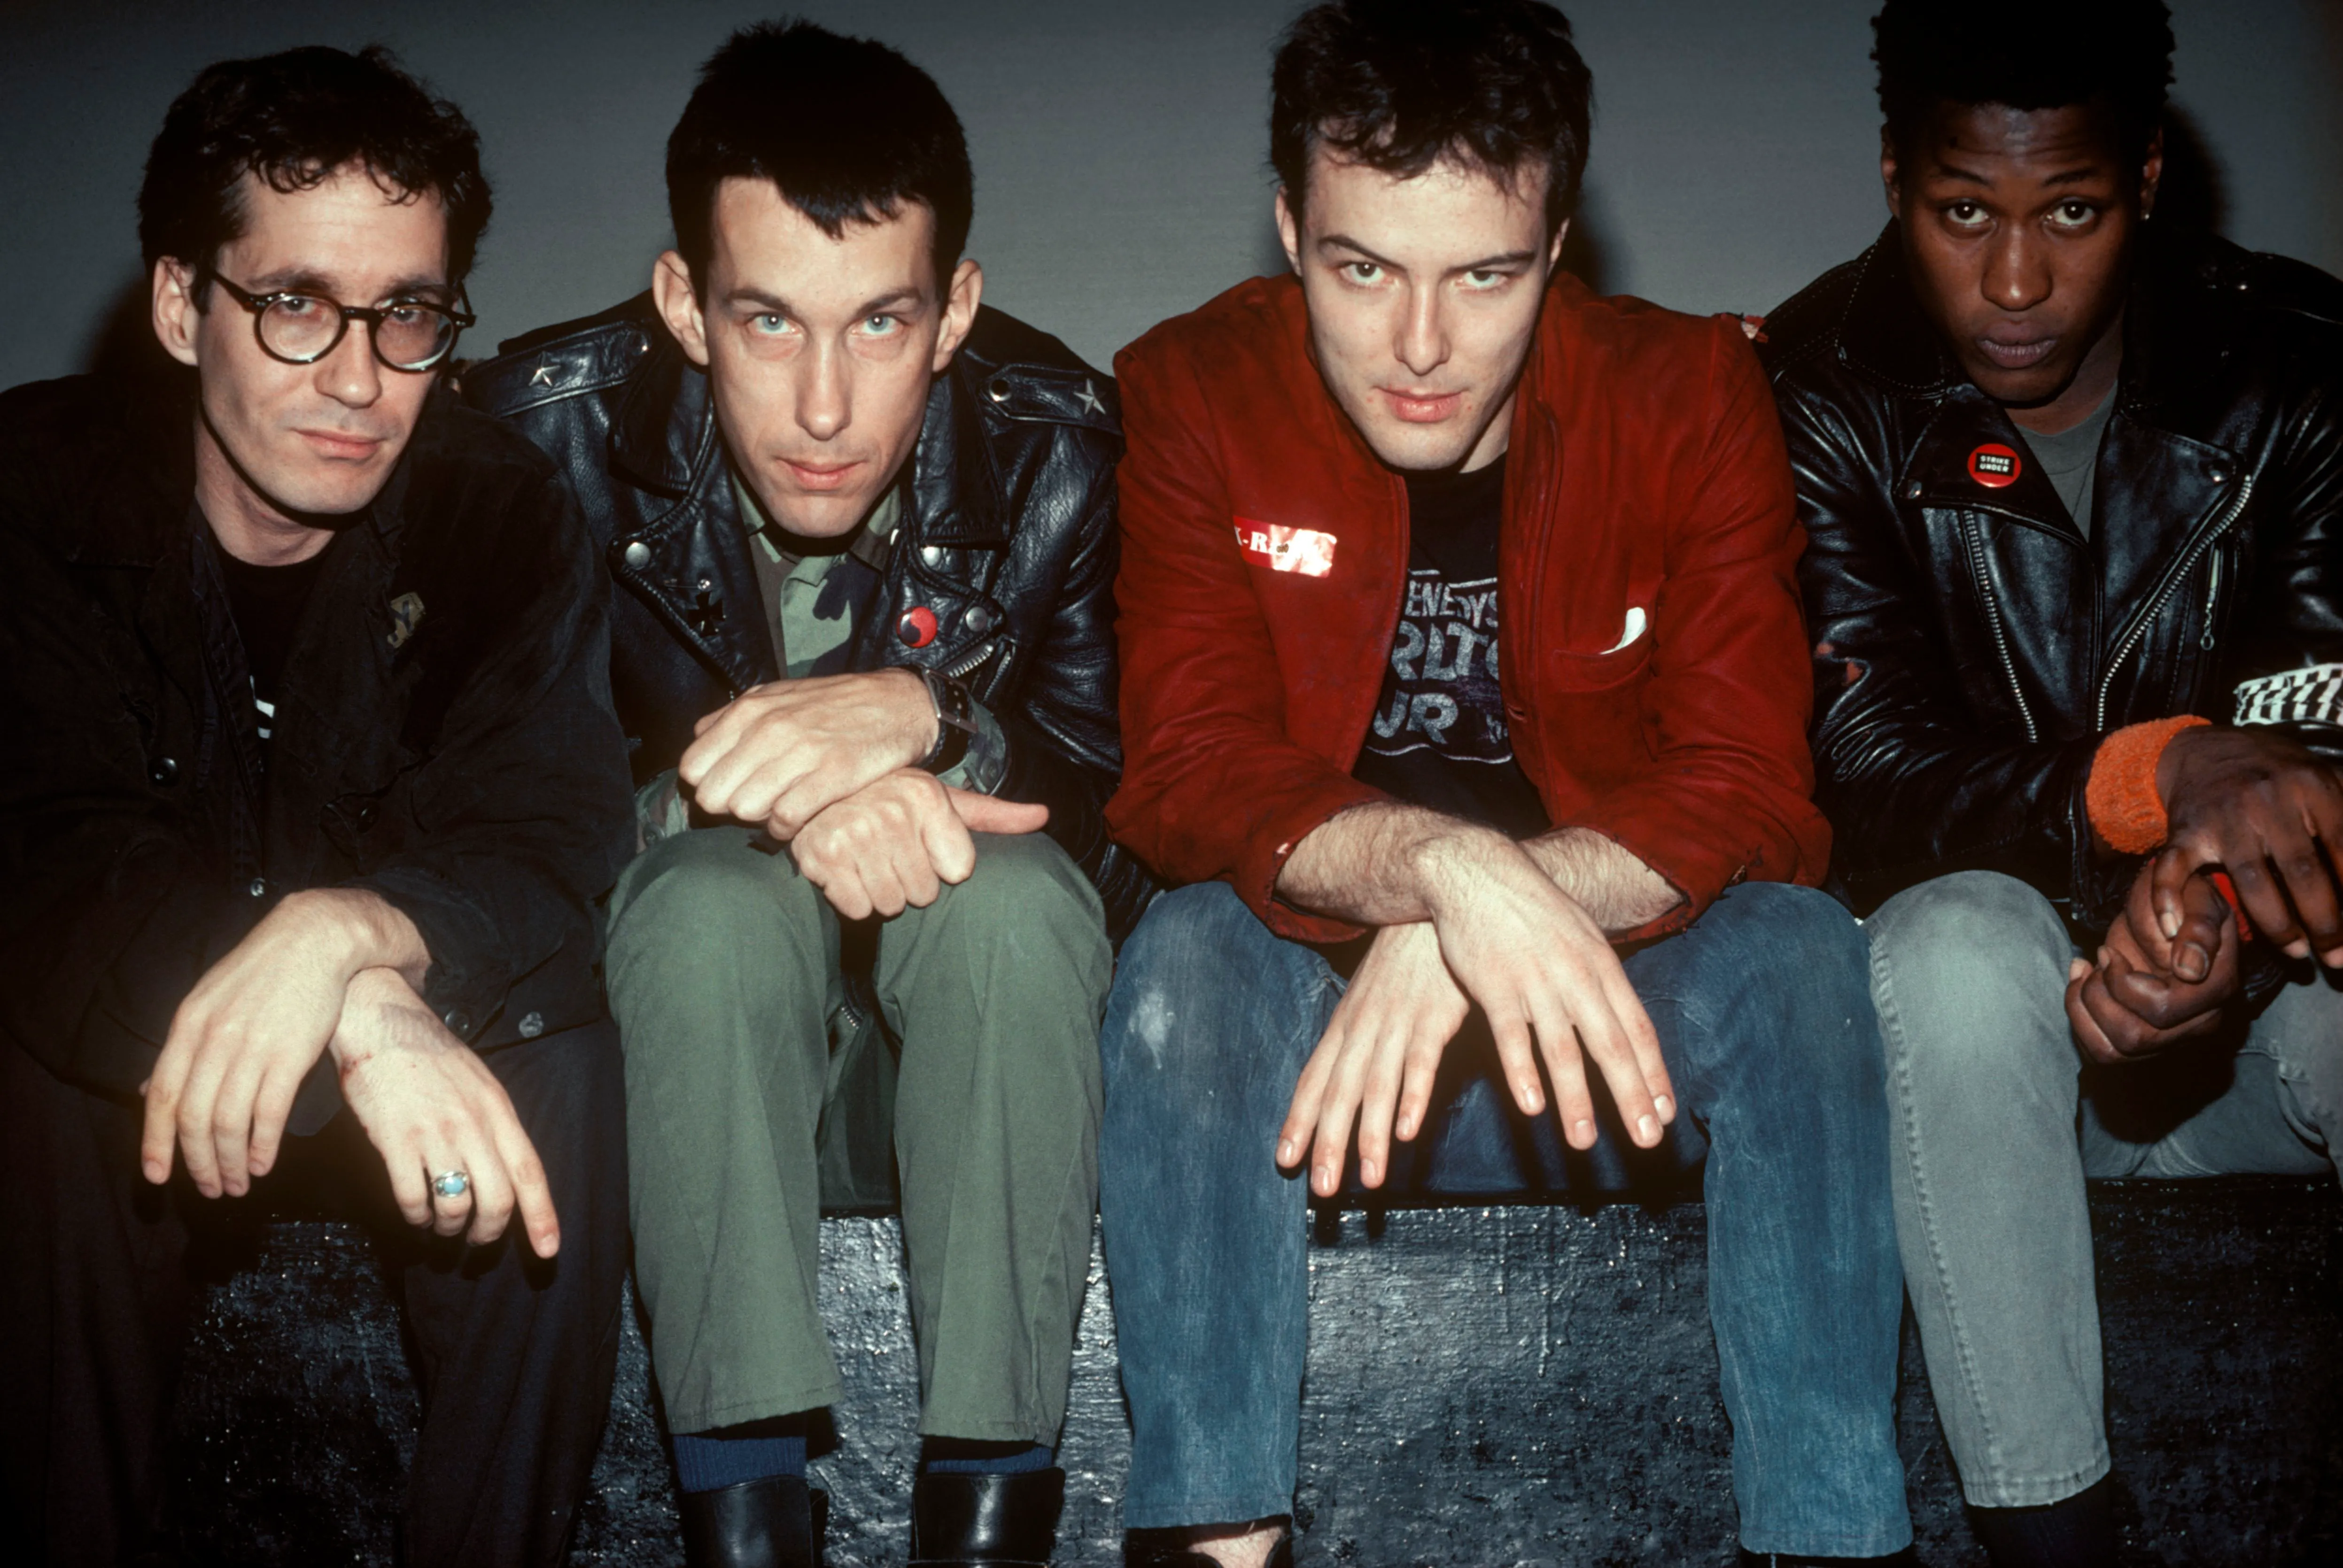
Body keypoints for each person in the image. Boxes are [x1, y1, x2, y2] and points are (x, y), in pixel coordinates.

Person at [1096, 4, 1915, 1565]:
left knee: (1806, 957)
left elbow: (1753, 783)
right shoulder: (1191, 388)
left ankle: (1829, 1541)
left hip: (1614, 1040)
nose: (1419, 345)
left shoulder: (1686, 392)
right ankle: (1212, 1545)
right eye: (1360, 269)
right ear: (1287, 228)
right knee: (1186, 954)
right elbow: (1187, 766)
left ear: (1558, 245)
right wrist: (1455, 875)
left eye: (1484, 274)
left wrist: (1471, 913)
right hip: (1310, 1059)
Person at [467, 22, 1146, 1568]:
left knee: (1018, 902)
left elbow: (1121, 814)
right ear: (680, 304)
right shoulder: (535, 443)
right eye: (767, 320)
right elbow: (492, 816)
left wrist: (929, 723)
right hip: (686, 1072)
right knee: (710, 909)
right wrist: (775, 795)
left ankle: (988, 1523)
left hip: (978, 1092)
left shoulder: (1062, 448)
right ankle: (744, 1523)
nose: (826, 406)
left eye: (882, 323)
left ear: (956, 308)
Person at [0, 46, 635, 1568]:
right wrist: (350, 993)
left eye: (406, 313)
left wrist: (361, 937)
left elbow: (547, 834)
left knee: (570, 1074)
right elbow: (47, 855)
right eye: (295, 305)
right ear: (179, 304)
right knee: (35, 1068)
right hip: (139, 1043)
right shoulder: (31, 491)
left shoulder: (503, 511)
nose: (358, 379)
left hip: (399, 1067)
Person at [1757, 3, 2343, 1564]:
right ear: (1894, 180)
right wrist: (2157, 782)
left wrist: (2212, 908)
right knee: (1954, 941)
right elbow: (1855, 773)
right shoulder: (1812, 389)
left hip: (2250, 1056)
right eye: (1963, 214)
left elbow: (2329, 728)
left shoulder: (2301, 367)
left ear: (2146, 179)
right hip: (1968, 1080)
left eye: (2069, 211)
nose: (2013, 282)